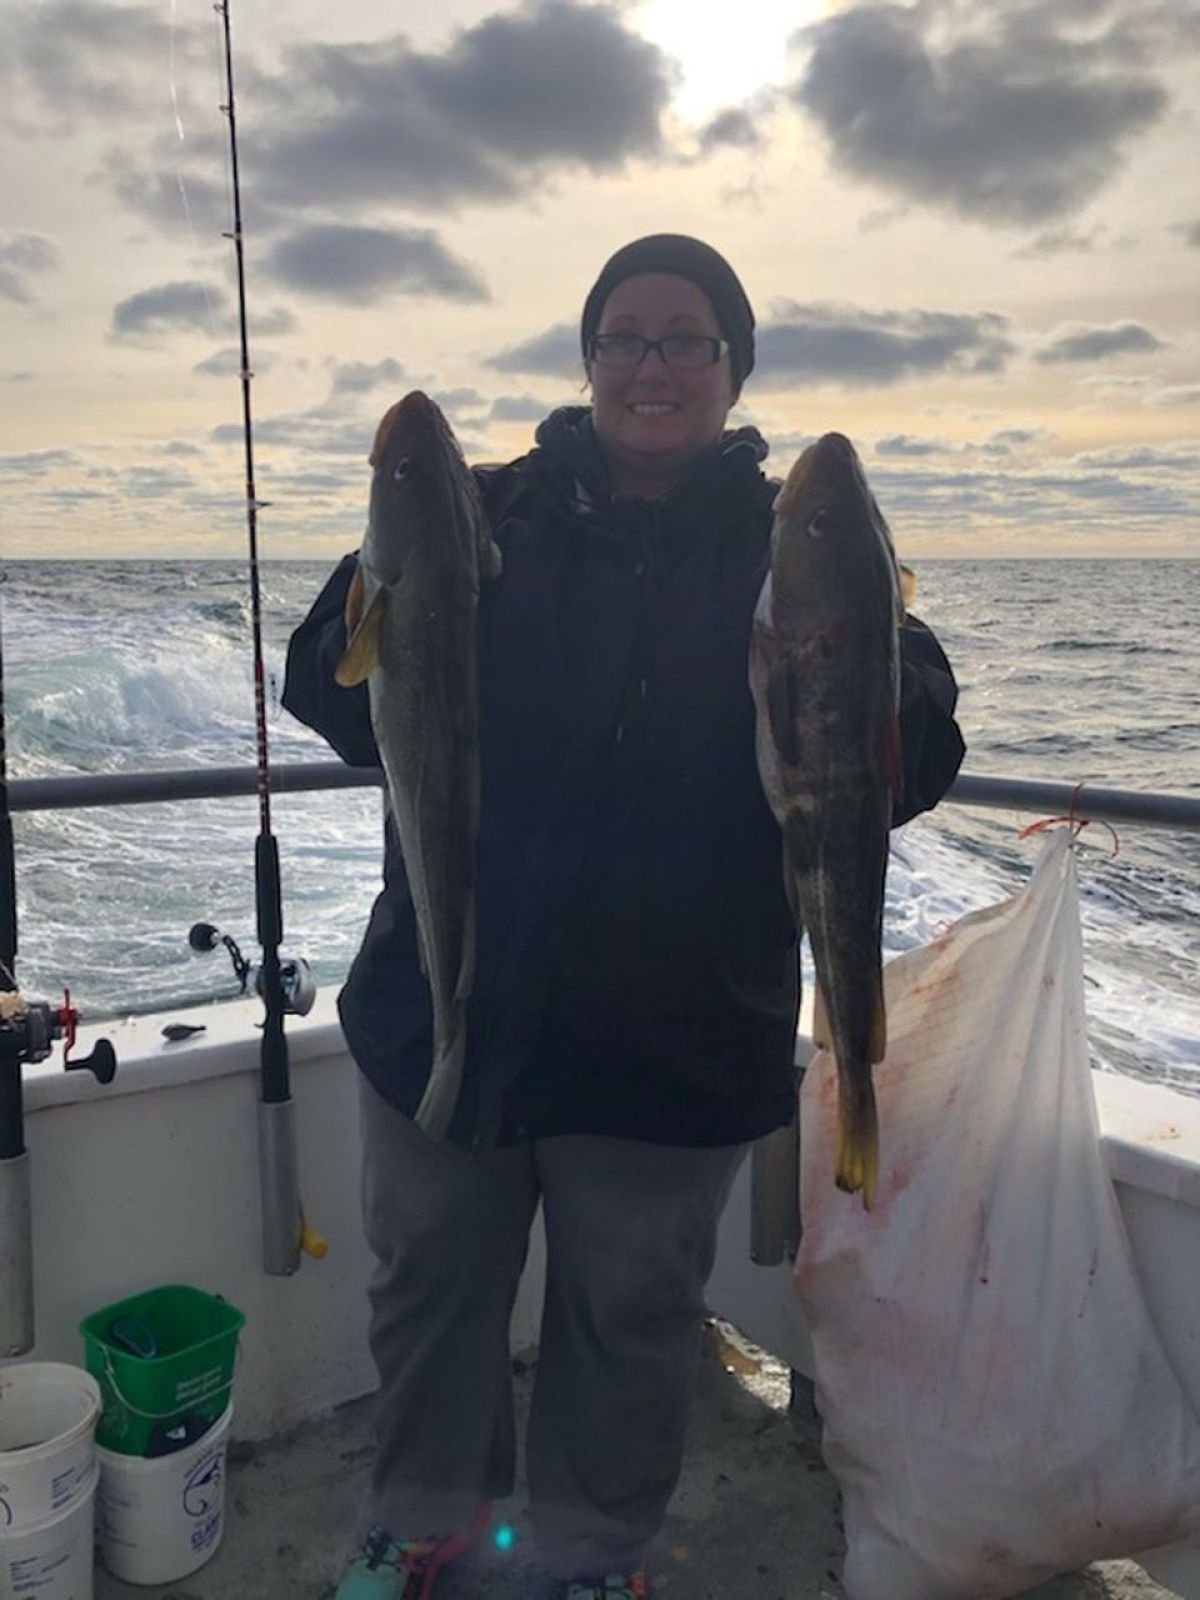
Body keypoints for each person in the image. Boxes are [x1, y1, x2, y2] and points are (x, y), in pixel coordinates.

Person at [282, 234, 966, 1600]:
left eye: (686, 339)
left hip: (676, 1025)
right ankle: (425, 1531)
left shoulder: (800, 547)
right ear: (588, 360)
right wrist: (377, 600)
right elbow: (328, 691)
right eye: (624, 337)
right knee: (431, 1297)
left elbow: (917, 747)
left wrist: (884, 692)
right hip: (448, 997)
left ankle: (591, 1559)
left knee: (631, 1317)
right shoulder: (486, 511)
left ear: (732, 368)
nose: (652, 364)